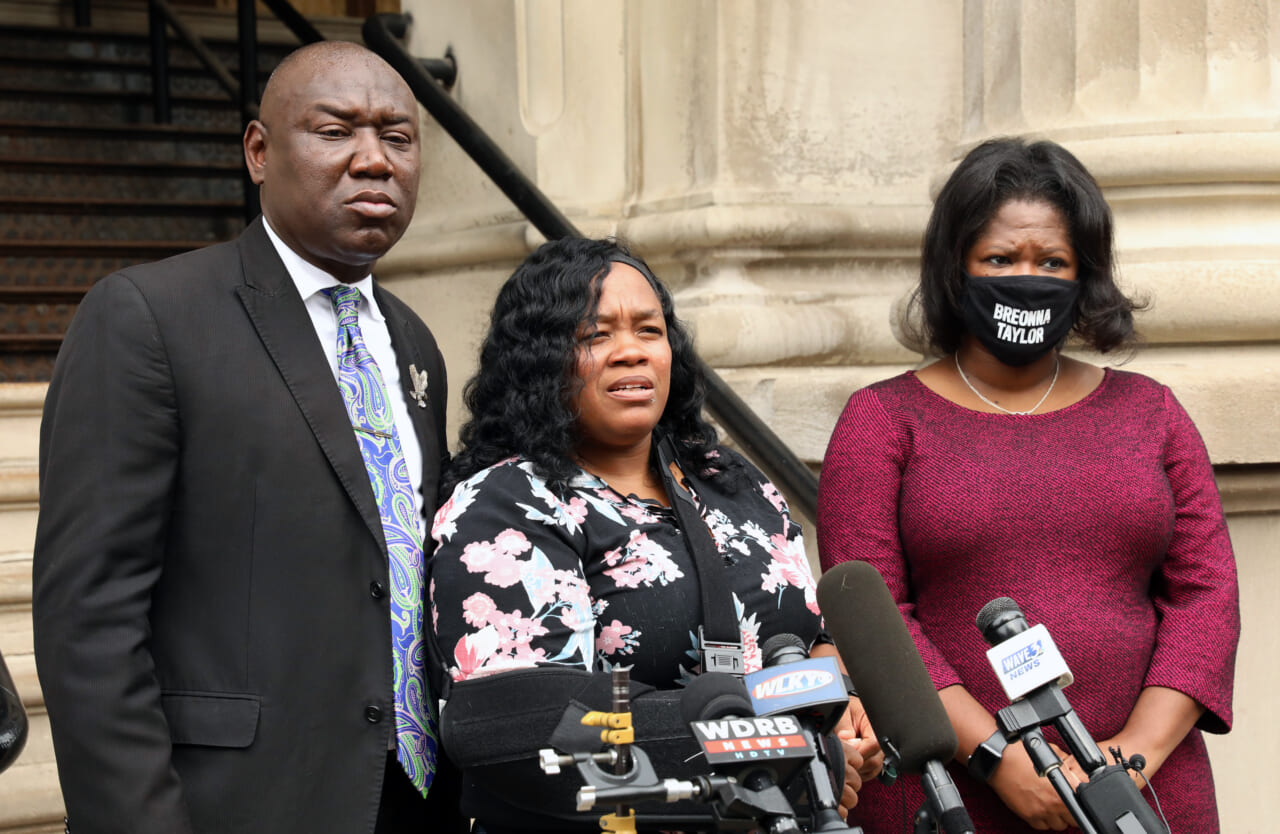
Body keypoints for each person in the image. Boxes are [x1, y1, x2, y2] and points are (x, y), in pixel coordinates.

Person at [32, 41, 465, 834]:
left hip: (414, 798)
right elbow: (88, 622)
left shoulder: (412, 341)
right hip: (238, 804)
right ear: (259, 153)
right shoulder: (148, 319)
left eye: (397, 138)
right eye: (336, 132)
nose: (374, 161)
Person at [817, 137, 1240, 832]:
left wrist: (1127, 763)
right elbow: (876, 619)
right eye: (1000, 259)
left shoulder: (1151, 412)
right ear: (956, 268)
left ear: (1086, 274)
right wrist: (1002, 762)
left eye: (1051, 261)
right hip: (956, 793)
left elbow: (1206, 595)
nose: (1026, 276)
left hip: (1144, 791)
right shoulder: (883, 421)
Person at [427, 237, 881, 831]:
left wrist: (835, 702)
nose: (630, 352)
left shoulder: (728, 480)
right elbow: (535, 732)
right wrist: (783, 756)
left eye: (648, 330)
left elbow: (801, 633)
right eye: (595, 336)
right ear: (538, 361)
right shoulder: (506, 507)